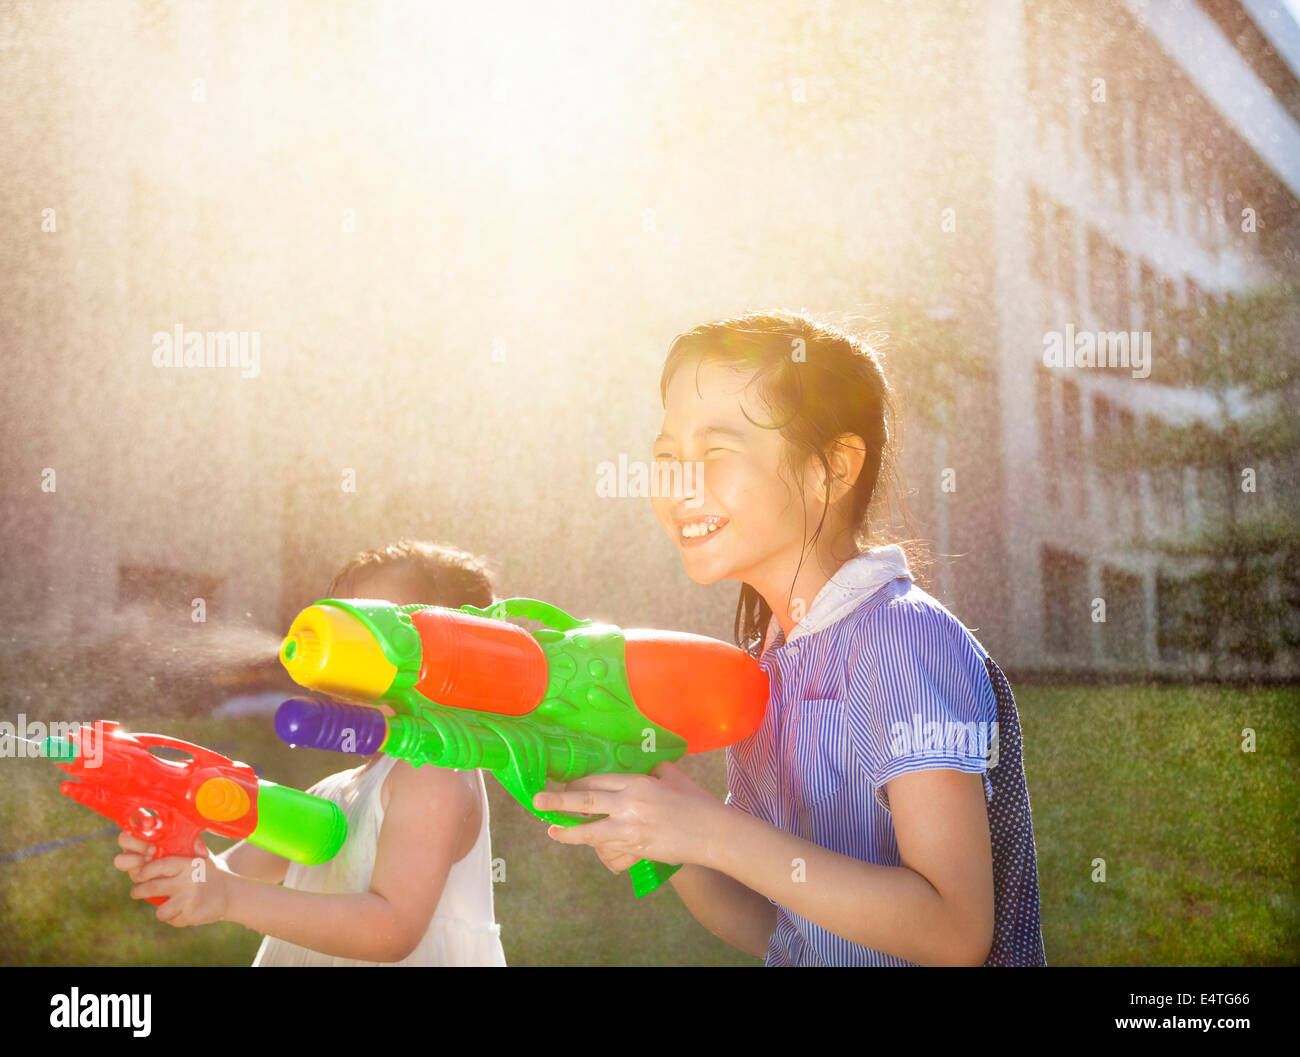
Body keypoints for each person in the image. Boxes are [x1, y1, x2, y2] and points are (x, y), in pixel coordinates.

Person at [537, 311, 1045, 966]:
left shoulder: (904, 642)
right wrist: (661, 821)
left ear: (832, 469)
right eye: (667, 456)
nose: (680, 485)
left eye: (716, 453)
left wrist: (710, 830)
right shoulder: (768, 668)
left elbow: (953, 929)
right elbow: (777, 927)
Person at [115, 540, 508, 966]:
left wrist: (227, 896)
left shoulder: (434, 771)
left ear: (458, 658)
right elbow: (228, 872)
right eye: (344, 625)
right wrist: (186, 866)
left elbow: (391, 929)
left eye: (378, 630)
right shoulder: (333, 791)